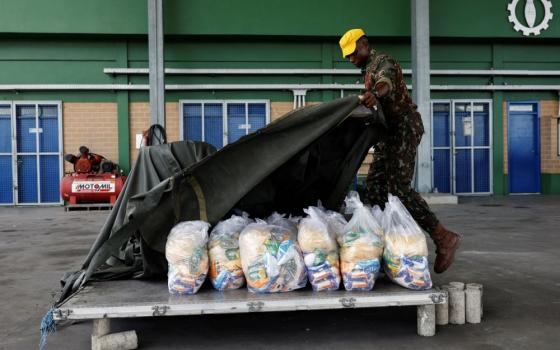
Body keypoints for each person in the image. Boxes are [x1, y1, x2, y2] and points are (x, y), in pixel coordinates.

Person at [339, 28, 460, 273]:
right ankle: (380, 245)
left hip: (404, 128)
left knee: (399, 189)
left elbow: (387, 83)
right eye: (347, 57)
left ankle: (443, 237)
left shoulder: (383, 62)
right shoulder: (366, 71)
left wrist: (374, 93)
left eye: (353, 53)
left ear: (364, 43)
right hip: (388, 135)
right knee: (373, 187)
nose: (350, 59)